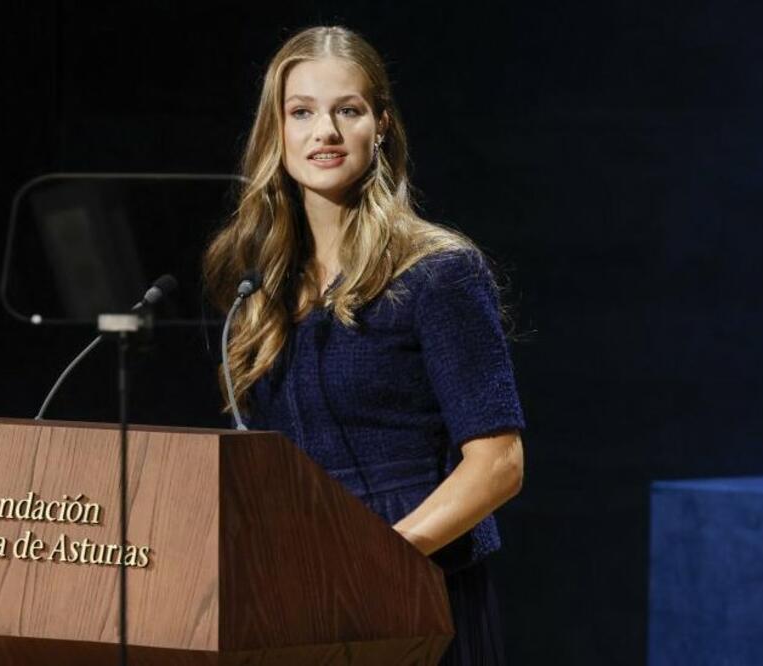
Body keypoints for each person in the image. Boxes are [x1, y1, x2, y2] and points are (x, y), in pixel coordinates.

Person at [204, 25, 525, 665]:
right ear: (277, 132)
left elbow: (499, 464)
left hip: (419, 589)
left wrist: (375, 560)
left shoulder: (437, 272)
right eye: (302, 113)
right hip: (293, 600)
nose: (324, 131)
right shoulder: (255, 289)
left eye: (346, 111)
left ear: (379, 126)